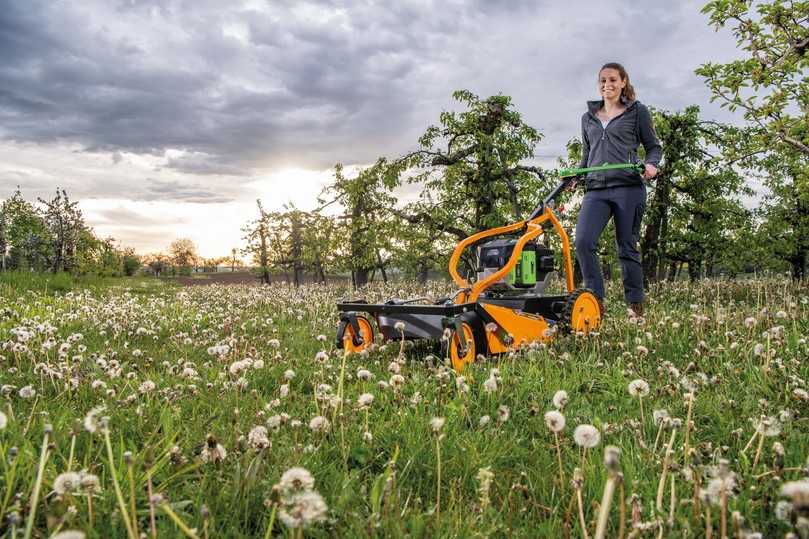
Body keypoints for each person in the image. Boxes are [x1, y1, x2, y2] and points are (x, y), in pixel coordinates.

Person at [574, 62, 662, 318]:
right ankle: (596, 304)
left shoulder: (637, 112)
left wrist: (651, 165)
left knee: (626, 246)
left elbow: (654, 147)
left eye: (613, 79)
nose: (607, 85)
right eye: (603, 80)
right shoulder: (588, 118)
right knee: (583, 242)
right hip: (596, 190)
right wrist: (576, 176)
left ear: (623, 82)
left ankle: (635, 306)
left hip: (628, 188)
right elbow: (587, 155)